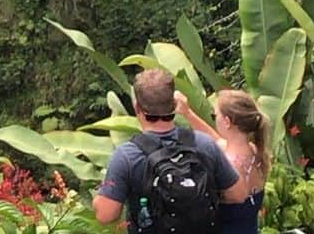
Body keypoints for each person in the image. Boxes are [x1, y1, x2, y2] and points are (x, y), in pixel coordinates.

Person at [93, 68, 248, 232]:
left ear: (137, 107)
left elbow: (106, 215)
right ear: (175, 104)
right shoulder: (204, 144)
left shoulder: (126, 156)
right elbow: (238, 194)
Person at [174, 88, 269, 234]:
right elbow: (217, 141)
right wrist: (188, 113)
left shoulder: (227, 163)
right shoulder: (254, 150)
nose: (215, 119)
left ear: (227, 121)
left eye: (216, 115)